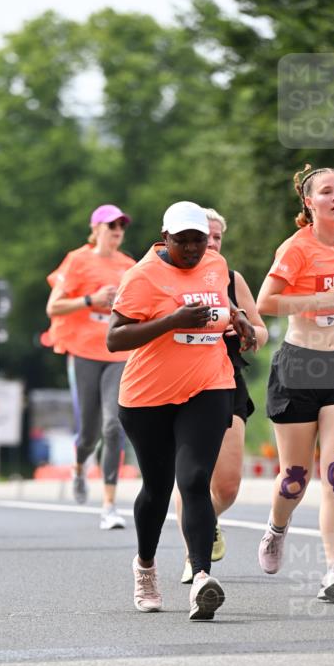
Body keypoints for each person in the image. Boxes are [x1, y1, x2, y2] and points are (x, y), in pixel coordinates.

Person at [107, 201, 256, 621]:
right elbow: (115, 339)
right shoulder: (142, 276)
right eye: (184, 241)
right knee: (156, 489)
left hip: (208, 386)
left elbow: (221, 304)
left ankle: (202, 579)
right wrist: (172, 320)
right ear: (165, 238)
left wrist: (239, 318)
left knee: (193, 480)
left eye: (200, 240)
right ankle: (146, 567)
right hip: (147, 397)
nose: (193, 248)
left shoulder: (216, 263)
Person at [255, 165, 334, 602]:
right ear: (309, 202)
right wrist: (316, 300)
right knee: (294, 477)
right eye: (326, 192)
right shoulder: (295, 249)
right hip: (299, 366)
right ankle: (277, 528)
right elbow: (264, 302)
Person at [177, 208, 268, 583]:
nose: (210, 243)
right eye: (204, 236)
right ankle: (193, 557)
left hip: (227, 379)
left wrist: (247, 334)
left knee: (227, 485)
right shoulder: (171, 277)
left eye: (216, 237)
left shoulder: (231, 279)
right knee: (191, 477)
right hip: (180, 382)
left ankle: (207, 518)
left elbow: (261, 332)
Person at [45, 203, 136, 529]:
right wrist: (91, 300)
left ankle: (109, 506)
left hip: (118, 355)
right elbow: (53, 306)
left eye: (121, 227)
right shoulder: (77, 260)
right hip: (83, 352)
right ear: (95, 228)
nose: (117, 232)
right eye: (111, 226)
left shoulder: (130, 267)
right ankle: (80, 465)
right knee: (89, 431)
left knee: (114, 426)